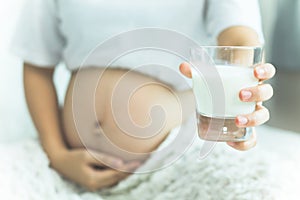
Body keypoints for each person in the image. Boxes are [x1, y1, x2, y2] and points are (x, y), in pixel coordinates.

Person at [12, 0, 275, 191]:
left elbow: (239, 38)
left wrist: (241, 95)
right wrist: (57, 155)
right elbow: (37, 64)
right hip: (67, 162)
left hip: (176, 161)